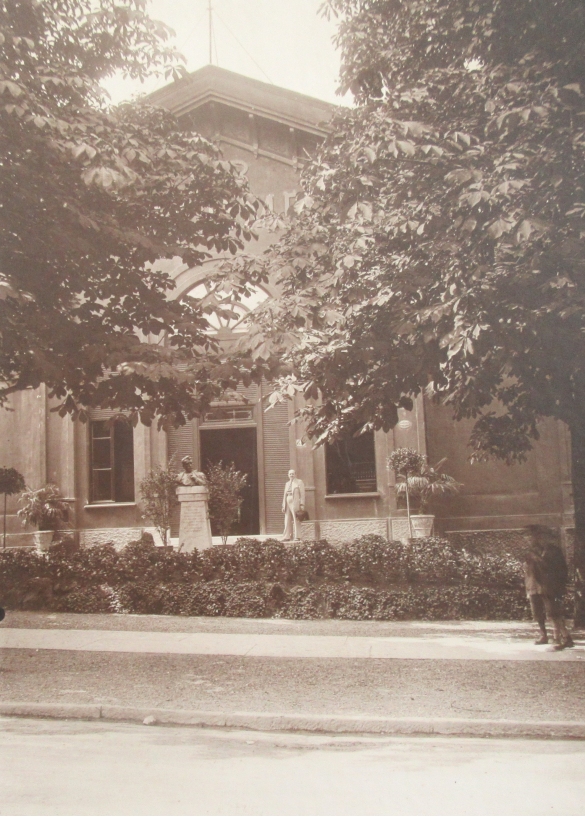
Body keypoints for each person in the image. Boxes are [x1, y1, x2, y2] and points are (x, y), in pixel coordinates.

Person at [523, 525, 574, 650]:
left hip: (549, 586)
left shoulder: (554, 551)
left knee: (553, 612)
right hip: (534, 584)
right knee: (537, 613)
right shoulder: (530, 552)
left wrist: (559, 585)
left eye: (533, 537)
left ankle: (564, 638)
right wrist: (528, 586)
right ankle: (544, 635)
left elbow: (561, 570)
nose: (531, 540)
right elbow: (527, 570)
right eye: (528, 537)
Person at [282, 469, 305, 541]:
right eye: (290, 474)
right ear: (288, 475)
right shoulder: (287, 483)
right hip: (287, 500)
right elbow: (284, 495)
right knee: (287, 519)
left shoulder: (299, 482)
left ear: (295, 474)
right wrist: (283, 505)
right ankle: (286, 536)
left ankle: (297, 536)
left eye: (293, 474)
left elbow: (302, 494)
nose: (291, 475)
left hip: (295, 502)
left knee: (296, 518)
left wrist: (302, 504)